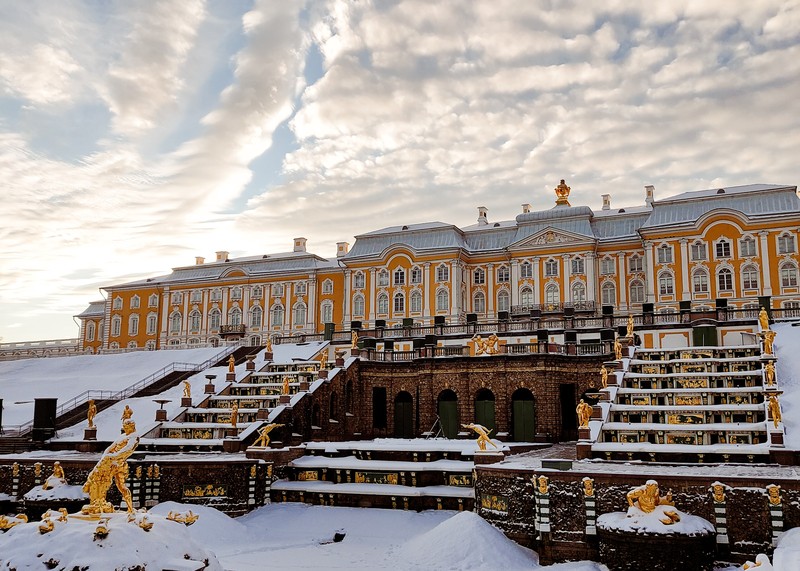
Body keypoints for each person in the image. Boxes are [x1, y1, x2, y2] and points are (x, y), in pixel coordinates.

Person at [82, 419, 139, 515]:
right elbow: (110, 447)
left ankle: (129, 508)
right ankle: (97, 498)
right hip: (111, 460)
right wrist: (106, 456)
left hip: (118, 462)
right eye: (124, 427)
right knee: (114, 483)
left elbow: (127, 450)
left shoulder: (134, 437)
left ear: (132, 427)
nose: (125, 429)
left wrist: (113, 457)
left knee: (120, 486)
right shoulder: (123, 436)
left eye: (127, 427)